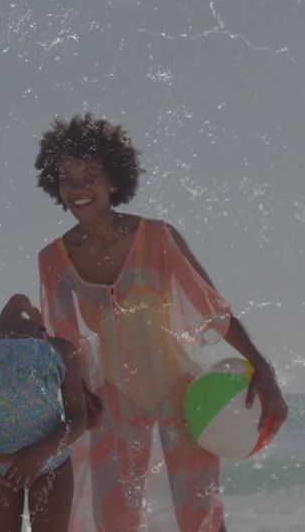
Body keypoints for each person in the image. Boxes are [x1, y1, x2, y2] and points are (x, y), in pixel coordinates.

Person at [33, 114, 289, 531]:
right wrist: (76, 393)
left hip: (183, 399)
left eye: (91, 175)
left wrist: (263, 367)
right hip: (112, 406)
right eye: (68, 178)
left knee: (201, 518)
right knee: (114, 522)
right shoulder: (53, 261)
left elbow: (213, 310)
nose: (79, 189)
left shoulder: (156, 237)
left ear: (114, 180)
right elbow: (64, 343)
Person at [0, 294, 86, 532]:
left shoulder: (61, 349)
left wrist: (38, 452)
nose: (19, 300)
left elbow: (78, 419)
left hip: (50, 461)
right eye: (12, 304)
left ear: (40, 324)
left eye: (28, 306)